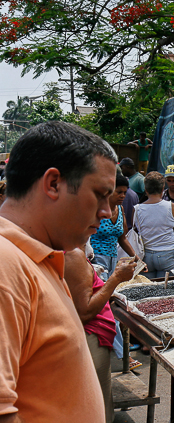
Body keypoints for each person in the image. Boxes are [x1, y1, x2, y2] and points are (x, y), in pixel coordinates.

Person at [0, 120, 114, 422]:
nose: (107, 212)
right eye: (100, 194)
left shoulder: (38, 258)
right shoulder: (5, 265)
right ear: (53, 184)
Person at [64, 247, 137, 423]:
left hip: (90, 336)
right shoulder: (72, 255)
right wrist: (117, 278)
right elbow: (85, 312)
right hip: (90, 337)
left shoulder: (71, 252)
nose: (103, 217)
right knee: (97, 406)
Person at [133, 171, 174, 278]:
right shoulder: (170, 207)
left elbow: (134, 230)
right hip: (167, 254)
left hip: (146, 255)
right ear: (162, 189)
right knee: (166, 289)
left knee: (147, 289)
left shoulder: (137, 209)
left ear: (146, 190)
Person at [90, 174, 138, 276]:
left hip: (113, 259)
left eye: (125, 193)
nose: (123, 196)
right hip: (96, 259)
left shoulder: (120, 209)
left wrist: (136, 258)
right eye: (119, 192)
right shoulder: (96, 208)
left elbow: (122, 239)